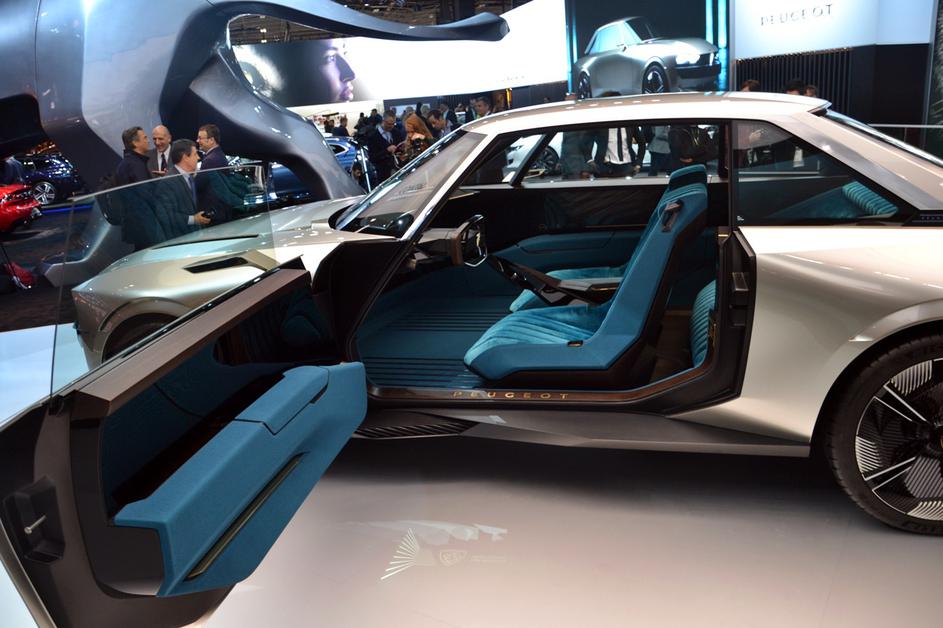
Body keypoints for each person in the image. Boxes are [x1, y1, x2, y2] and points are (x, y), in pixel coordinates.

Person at [155, 139, 212, 240]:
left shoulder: (190, 177)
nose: (198, 158)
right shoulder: (168, 182)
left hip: (196, 236)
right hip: (181, 239)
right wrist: (193, 219)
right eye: (195, 154)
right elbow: (166, 216)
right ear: (185, 157)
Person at [367, 112, 405, 183]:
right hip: (383, 175)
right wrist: (387, 150)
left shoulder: (396, 132)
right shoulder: (373, 136)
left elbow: (401, 147)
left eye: (393, 124)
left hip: (399, 171)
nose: (391, 126)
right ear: (383, 121)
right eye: (389, 124)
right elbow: (372, 158)